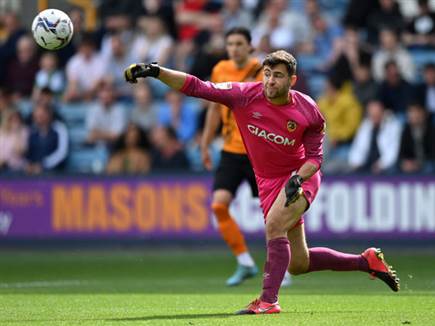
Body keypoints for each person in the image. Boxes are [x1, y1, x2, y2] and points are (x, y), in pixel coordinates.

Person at [124, 50, 400, 315]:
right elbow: (198, 86)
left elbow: (315, 158)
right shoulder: (244, 95)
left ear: (292, 80)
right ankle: (366, 262)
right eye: (267, 74)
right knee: (298, 264)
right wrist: (157, 72)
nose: (270, 80)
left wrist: (298, 178)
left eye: (278, 75)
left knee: (273, 226)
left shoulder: (309, 111)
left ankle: (268, 301)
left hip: (300, 178)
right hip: (268, 182)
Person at [201, 27, 291, 287]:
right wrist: (206, 143)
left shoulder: (262, 72)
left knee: (273, 216)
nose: (234, 48)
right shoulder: (220, 70)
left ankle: (280, 268)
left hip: (258, 152)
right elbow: (215, 108)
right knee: (218, 205)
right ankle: (245, 262)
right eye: (230, 44)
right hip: (230, 150)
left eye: (239, 43)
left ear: (250, 47)